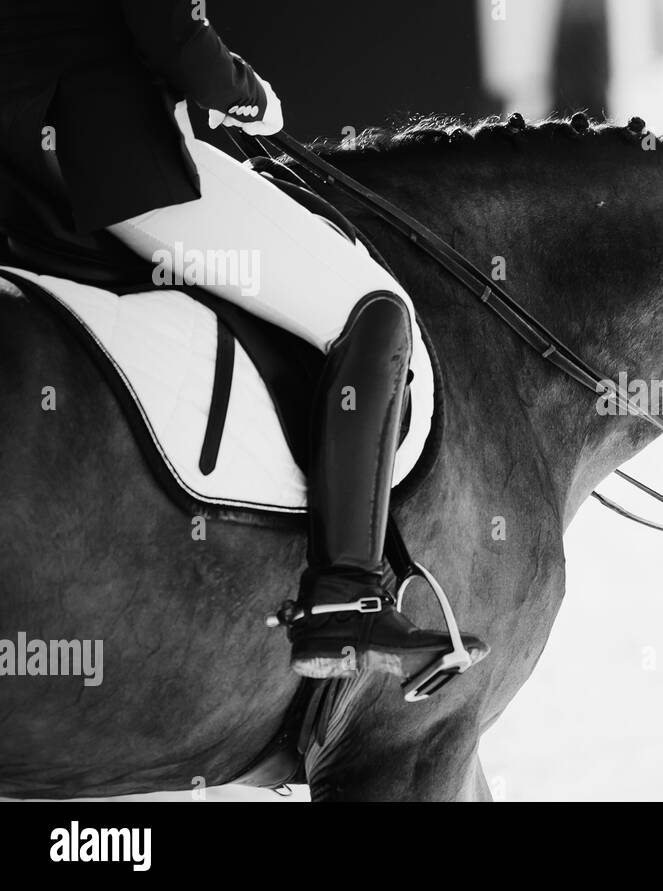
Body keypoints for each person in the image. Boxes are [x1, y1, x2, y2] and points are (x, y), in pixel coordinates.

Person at [0, 0, 477, 681]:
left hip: (19, 173)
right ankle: (347, 594)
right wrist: (240, 93)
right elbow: (168, 26)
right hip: (101, 158)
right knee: (374, 310)